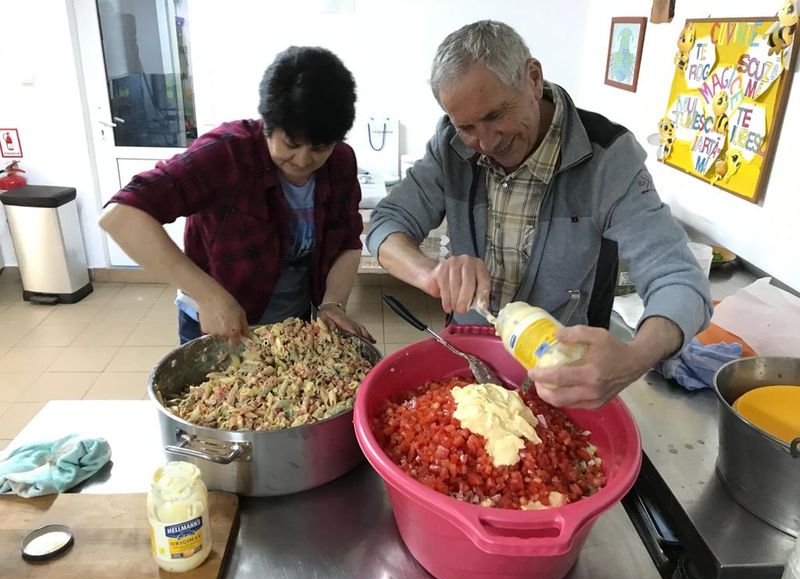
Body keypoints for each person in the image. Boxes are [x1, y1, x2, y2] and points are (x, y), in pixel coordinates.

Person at [366, 21, 712, 409]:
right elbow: (385, 224)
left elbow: (680, 279)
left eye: (497, 114)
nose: (487, 142)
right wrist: (431, 274)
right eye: (468, 127)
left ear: (533, 78)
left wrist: (634, 356)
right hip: (470, 362)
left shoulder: (607, 158)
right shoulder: (449, 146)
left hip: (562, 374)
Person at [100, 46, 374, 345]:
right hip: (218, 326)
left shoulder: (341, 162)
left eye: (319, 148)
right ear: (268, 127)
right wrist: (210, 296)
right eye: (290, 144)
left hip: (293, 325)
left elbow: (347, 242)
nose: (303, 160)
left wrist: (332, 304)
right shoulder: (227, 154)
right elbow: (121, 217)